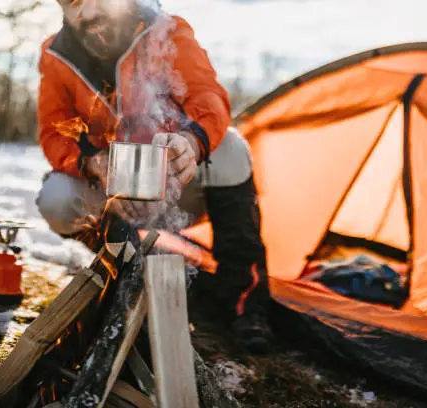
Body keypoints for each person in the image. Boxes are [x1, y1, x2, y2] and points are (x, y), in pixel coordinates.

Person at [35, 0, 274, 353]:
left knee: (231, 149)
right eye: (72, 2)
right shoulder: (56, 55)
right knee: (57, 197)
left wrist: (192, 142)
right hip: (112, 193)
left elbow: (208, 97)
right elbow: (53, 131)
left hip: (179, 186)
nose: (87, 11)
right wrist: (92, 166)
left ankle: (242, 300)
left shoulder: (167, 31)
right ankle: (122, 272)